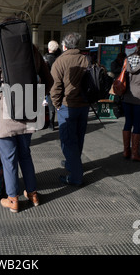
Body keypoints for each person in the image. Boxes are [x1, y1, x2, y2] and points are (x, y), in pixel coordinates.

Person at [0, 34, 53, 213]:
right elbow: (49, 81)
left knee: (8, 159)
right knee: (25, 154)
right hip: (28, 111)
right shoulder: (33, 52)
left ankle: (13, 199)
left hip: (5, 115)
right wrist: (35, 97)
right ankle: (33, 194)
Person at [50, 32, 90, 186]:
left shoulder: (60, 62)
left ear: (64, 45)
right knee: (79, 138)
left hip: (68, 106)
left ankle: (75, 176)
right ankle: (73, 163)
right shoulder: (86, 59)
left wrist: (57, 104)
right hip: (84, 105)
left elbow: (55, 88)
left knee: (67, 141)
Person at [44, 40, 61, 130]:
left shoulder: (45, 58)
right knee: (58, 103)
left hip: (49, 84)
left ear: (48, 48)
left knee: (50, 104)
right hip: (58, 83)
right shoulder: (60, 58)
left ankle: (51, 123)